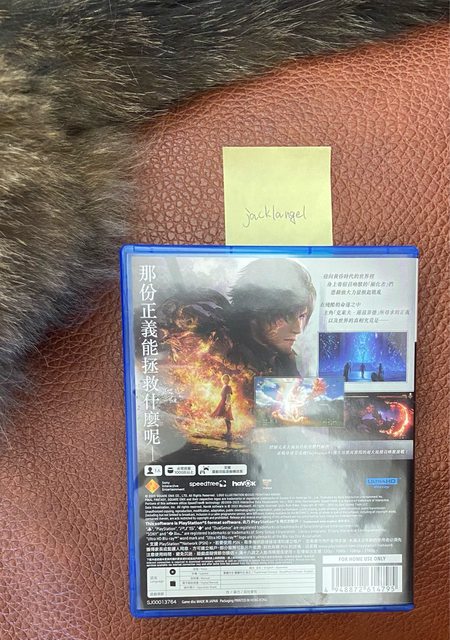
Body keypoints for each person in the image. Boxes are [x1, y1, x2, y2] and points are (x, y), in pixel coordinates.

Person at [211, 374, 234, 439]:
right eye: (224, 379)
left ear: (229, 380)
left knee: (227, 418)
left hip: (226, 403)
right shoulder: (224, 386)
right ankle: (228, 432)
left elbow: (228, 396)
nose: (225, 380)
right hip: (222, 402)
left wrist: (227, 405)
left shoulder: (228, 387)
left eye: (226, 379)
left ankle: (229, 433)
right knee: (225, 418)